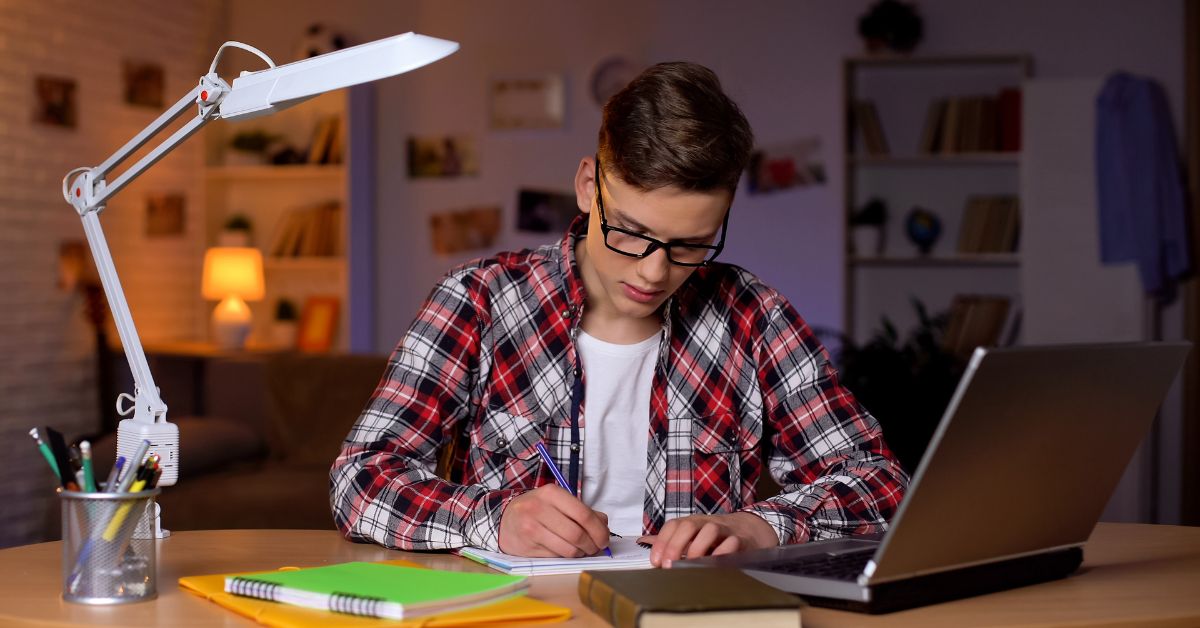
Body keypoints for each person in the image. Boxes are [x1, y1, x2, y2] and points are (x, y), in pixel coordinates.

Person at [330, 61, 908, 567]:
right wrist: (489, 519)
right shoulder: (476, 300)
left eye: (690, 244)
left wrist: (759, 526)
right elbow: (359, 479)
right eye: (632, 233)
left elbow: (881, 486)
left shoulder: (754, 317)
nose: (655, 273)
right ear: (589, 187)